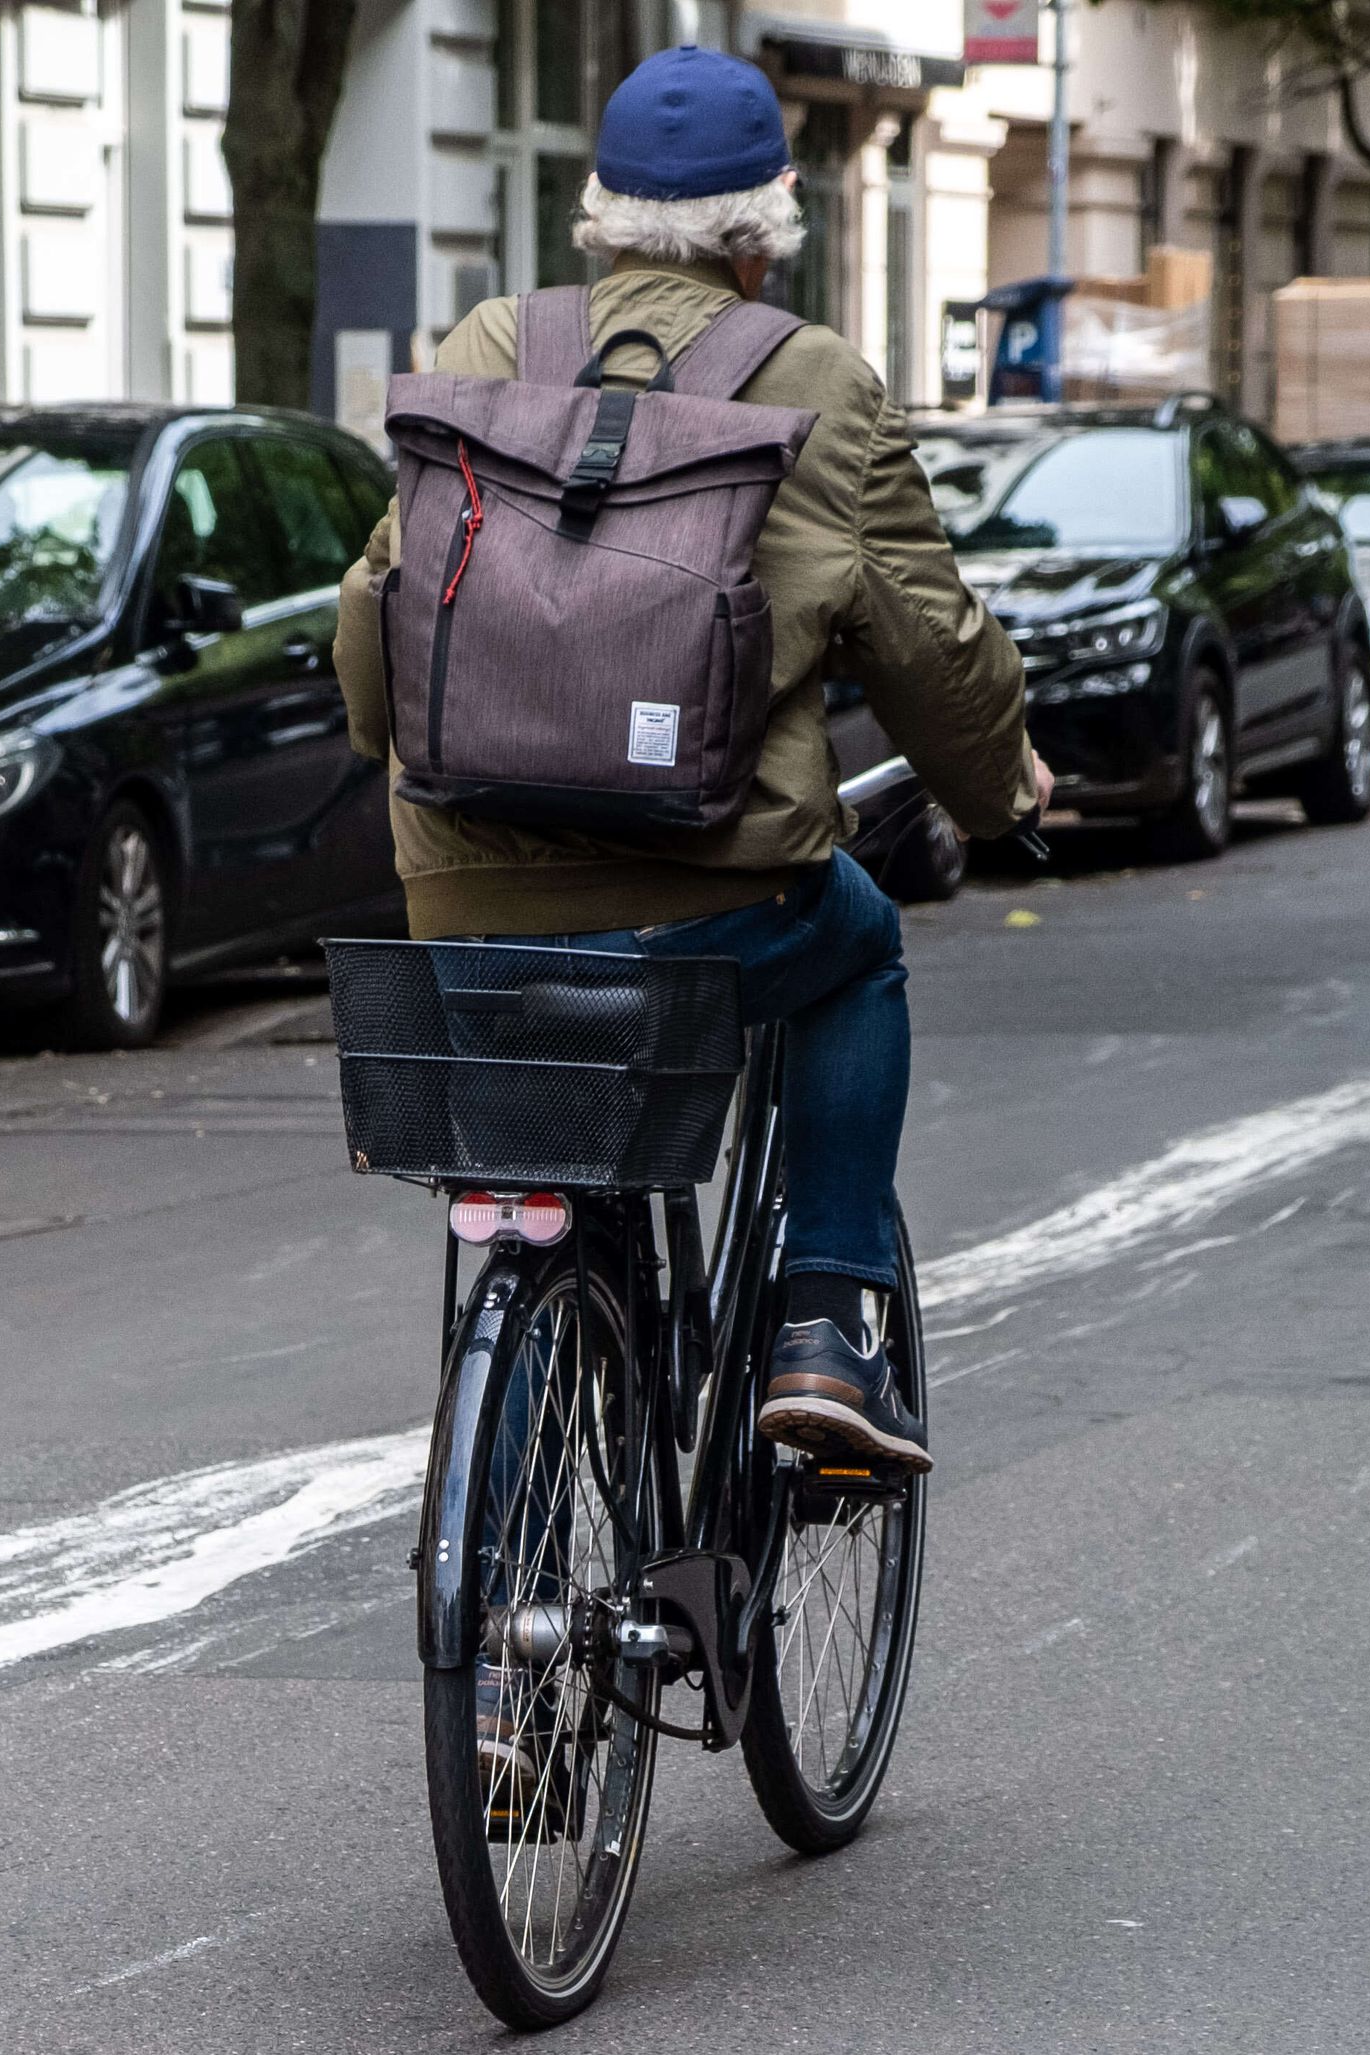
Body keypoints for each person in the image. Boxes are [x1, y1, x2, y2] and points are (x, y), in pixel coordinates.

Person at [335, 45, 1044, 1472]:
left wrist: (402, 766)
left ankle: (503, 1569)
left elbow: (375, 613)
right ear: (762, 235)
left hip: (470, 907)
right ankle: (824, 1324)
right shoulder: (821, 382)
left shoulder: (483, 347)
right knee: (861, 948)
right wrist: (1000, 786)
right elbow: (928, 642)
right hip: (710, 908)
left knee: (544, 1201)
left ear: (598, 217)